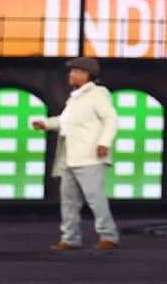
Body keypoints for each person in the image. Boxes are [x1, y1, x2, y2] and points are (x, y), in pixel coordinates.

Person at [32, 56, 119, 251]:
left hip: (90, 158)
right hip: (71, 159)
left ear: (87, 75)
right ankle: (70, 238)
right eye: (71, 71)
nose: (71, 74)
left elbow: (111, 119)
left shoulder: (97, 94)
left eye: (76, 71)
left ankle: (108, 236)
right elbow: (65, 122)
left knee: (95, 199)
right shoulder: (75, 98)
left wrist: (104, 142)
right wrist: (45, 123)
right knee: (69, 202)